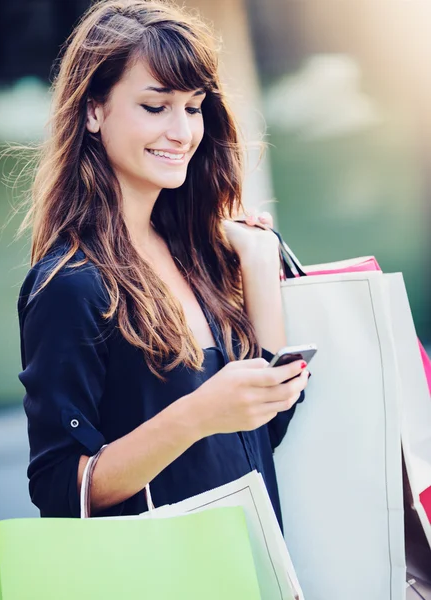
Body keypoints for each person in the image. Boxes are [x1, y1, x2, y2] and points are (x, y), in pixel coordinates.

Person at [17, 0, 310, 530]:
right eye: (156, 107)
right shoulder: (72, 286)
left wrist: (260, 264)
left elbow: (263, 433)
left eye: (193, 107)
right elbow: (60, 489)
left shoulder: (202, 255)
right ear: (93, 110)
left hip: (258, 568)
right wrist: (197, 414)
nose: (182, 132)